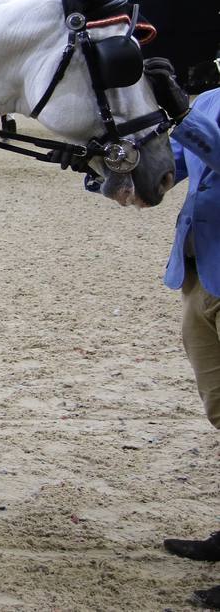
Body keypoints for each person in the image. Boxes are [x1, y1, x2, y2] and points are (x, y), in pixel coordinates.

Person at [153, 65, 220, 609]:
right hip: (201, 276)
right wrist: (101, 165)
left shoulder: (196, 110)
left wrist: (181, 113)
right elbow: (164, 174)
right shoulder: (212, 101)